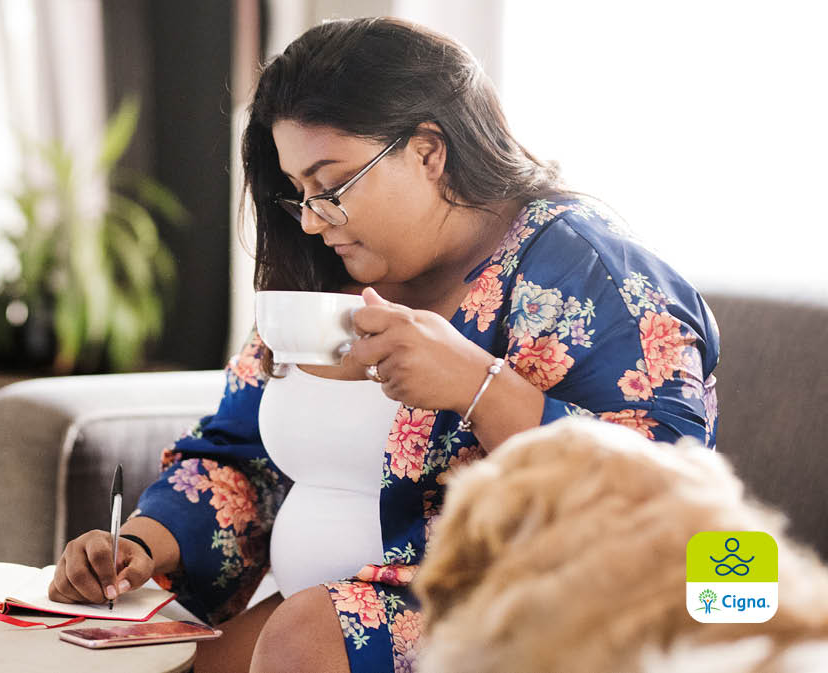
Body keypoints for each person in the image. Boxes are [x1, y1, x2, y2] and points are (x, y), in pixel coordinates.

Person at [48, 16, 720, 673]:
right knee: (178, 654)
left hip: (533, 610)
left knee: (302, 639)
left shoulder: (595, 278)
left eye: (331, 185)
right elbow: (241, 455)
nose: (312, 222)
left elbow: (671, 507)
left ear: (429, 151)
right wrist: (139, 542)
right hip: (333, 607)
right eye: (300, 194)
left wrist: (478, 385)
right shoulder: (322, 286)